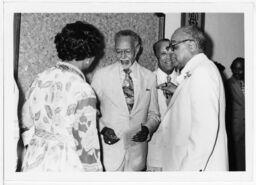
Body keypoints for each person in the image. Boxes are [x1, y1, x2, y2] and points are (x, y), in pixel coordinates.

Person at [21, 21, 104, 172]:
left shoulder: (41, 78)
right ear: (88, 58)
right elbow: (87, 144)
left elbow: (26, 122)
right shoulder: (83, 90)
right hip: (65, 163)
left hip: (34, 159)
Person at [161, 25, 228, 171]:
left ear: (191, 45)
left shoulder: (202, 72)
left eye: (174, 46)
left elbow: (203, 134)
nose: (170, 52)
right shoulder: (195, 71)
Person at [91, 30, 160, 171]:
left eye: (127, 51)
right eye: (118, 51)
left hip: (137, 155)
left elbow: (154, 115)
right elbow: (89, 110)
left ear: (137, 49)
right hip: (110, 153)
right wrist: (102, 128)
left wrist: (147, 129)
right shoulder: (101, 76)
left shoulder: (149, 77)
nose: (122, 57)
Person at [147, 39, 179, 171]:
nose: (169, 57)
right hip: (156, 149)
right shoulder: (148, 80)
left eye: (172, 52)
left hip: (179, 151)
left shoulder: (186, 79)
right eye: (164, 53)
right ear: (156, 56)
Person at [226, 57, 245, 171]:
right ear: (232, 69)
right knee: (237, 161)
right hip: (236, 129)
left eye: (241, 69)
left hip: (250, 129)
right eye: (235, 69)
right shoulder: (228, 84)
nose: (238, 72)